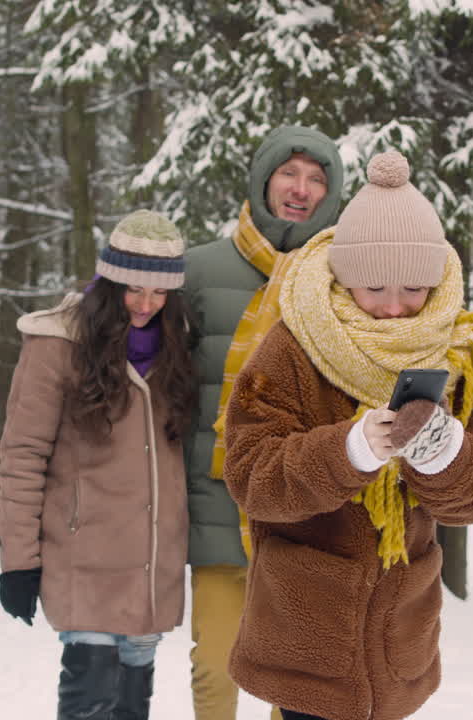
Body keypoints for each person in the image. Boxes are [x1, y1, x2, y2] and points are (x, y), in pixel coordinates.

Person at [220, 151, 473, 720]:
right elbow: (252, 476)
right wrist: (348, 451)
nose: (395, 309)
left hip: (398, 635)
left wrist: (442, 450)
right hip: (307, 629)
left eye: (414, 289)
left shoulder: (461, 353)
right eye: (374, 287)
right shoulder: (293, 347)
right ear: (346, 278)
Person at [0, 209, 198, 720]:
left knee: (132, 707)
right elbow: (22, 458)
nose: (145, 305)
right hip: (82, 561)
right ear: (109, 282)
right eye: (133, 289)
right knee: (90, 700)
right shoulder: (57, 345)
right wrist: (19, 563)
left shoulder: (180, 346)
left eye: (159, 294)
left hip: (151, 568)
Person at [183, 125, 345, 720]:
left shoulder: (340, 280)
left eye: (316, 179)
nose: (300, 189)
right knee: (215, 665)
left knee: (294, 677)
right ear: (263, 179)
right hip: (219, 499)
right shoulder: (199, 270)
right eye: (288, 173)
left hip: (299, 500)